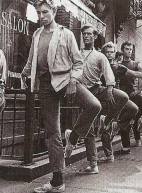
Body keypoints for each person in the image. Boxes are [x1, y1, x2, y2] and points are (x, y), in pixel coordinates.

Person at [21, 1, 101, 192]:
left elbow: (78, 62)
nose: (41, 17)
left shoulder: (66, 34)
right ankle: (57, 181)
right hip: (46, 85)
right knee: (53, 133)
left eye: (45, 12)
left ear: (54, 11)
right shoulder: (36, 34)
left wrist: (74, 80)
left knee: (94, 105)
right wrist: (24, 74)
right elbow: (32, 59)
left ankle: (73, 137)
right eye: (38, 13)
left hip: (65, 80)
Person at [68, 24, 128, 171]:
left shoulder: (100, 56)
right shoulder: (76, 53)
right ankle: (93, 163)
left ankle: (106, 122)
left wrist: (109, 88)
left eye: (89, 34)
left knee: (123, 97)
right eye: (84, 34)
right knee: (89, 128)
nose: (86, 36)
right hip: (82, 92)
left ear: (95, 36)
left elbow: (108, 73)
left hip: (97, 89)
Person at [101, 42, 142, 153]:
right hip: (107, 95)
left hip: (125, 95)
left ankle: (134, 123)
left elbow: (135, 74)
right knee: (106, 125)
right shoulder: (105, 64)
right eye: (127, 49)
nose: (129, 51)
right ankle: (119, 147)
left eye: (111, 52)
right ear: (122, 50)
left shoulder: (121, 66)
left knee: (138, 109)